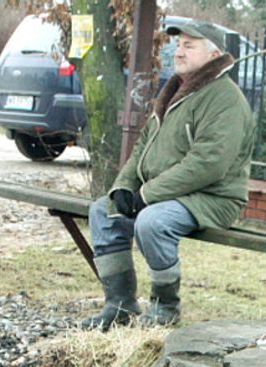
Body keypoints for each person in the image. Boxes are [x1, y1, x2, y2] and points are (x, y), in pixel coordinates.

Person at [82, 21, 256, 330]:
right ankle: (120, 305)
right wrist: (123, 187)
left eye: (190, 45)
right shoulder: (177, 92)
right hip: (172, 193)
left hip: (214, 197)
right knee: (102, 210)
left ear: (214, 53)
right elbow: (142, 148)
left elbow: (208, 164)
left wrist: (146, 196)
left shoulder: (224, 99)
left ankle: (165, 308)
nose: (179, 52)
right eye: (178, 45)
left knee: (152, 221)